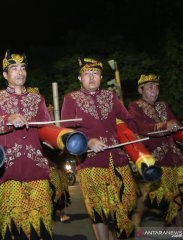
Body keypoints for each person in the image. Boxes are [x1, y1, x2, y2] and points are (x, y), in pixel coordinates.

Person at [0, 50, 54, 239]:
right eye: (14, 68)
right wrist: (7, 119)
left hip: (37, 171)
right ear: (5, 75)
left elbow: (48, 129)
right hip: (8, 173)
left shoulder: (38, 99)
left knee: (41, 229)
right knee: (12, 230)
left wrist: (55, 142)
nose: (20, 72)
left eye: (23, 68)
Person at [60, 57, 139, 240]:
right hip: (90, 164)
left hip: (118, 161)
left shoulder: (110, 96)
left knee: (125, 206)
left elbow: (128, 120)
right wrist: (87, 141)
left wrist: (136, 136)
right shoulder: (70, 99)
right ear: (80, 78)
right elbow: (66, 132)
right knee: (100, 211)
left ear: (101, 77)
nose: (91, 77)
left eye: (95, 73)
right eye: (86, 74)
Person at [128, 74, 183, 227]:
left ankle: (180, 232)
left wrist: (176, 125)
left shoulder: (163, 105)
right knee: (150, 199)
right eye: (150, 87)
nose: (155, 90)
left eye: (157, 87)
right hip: (156, 157)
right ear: (141, 90)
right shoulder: (135, 106)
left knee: (181, 196)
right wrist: (165, 125)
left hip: (174, 157)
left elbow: (175, 122)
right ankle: (136, 226)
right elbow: (140, 127)